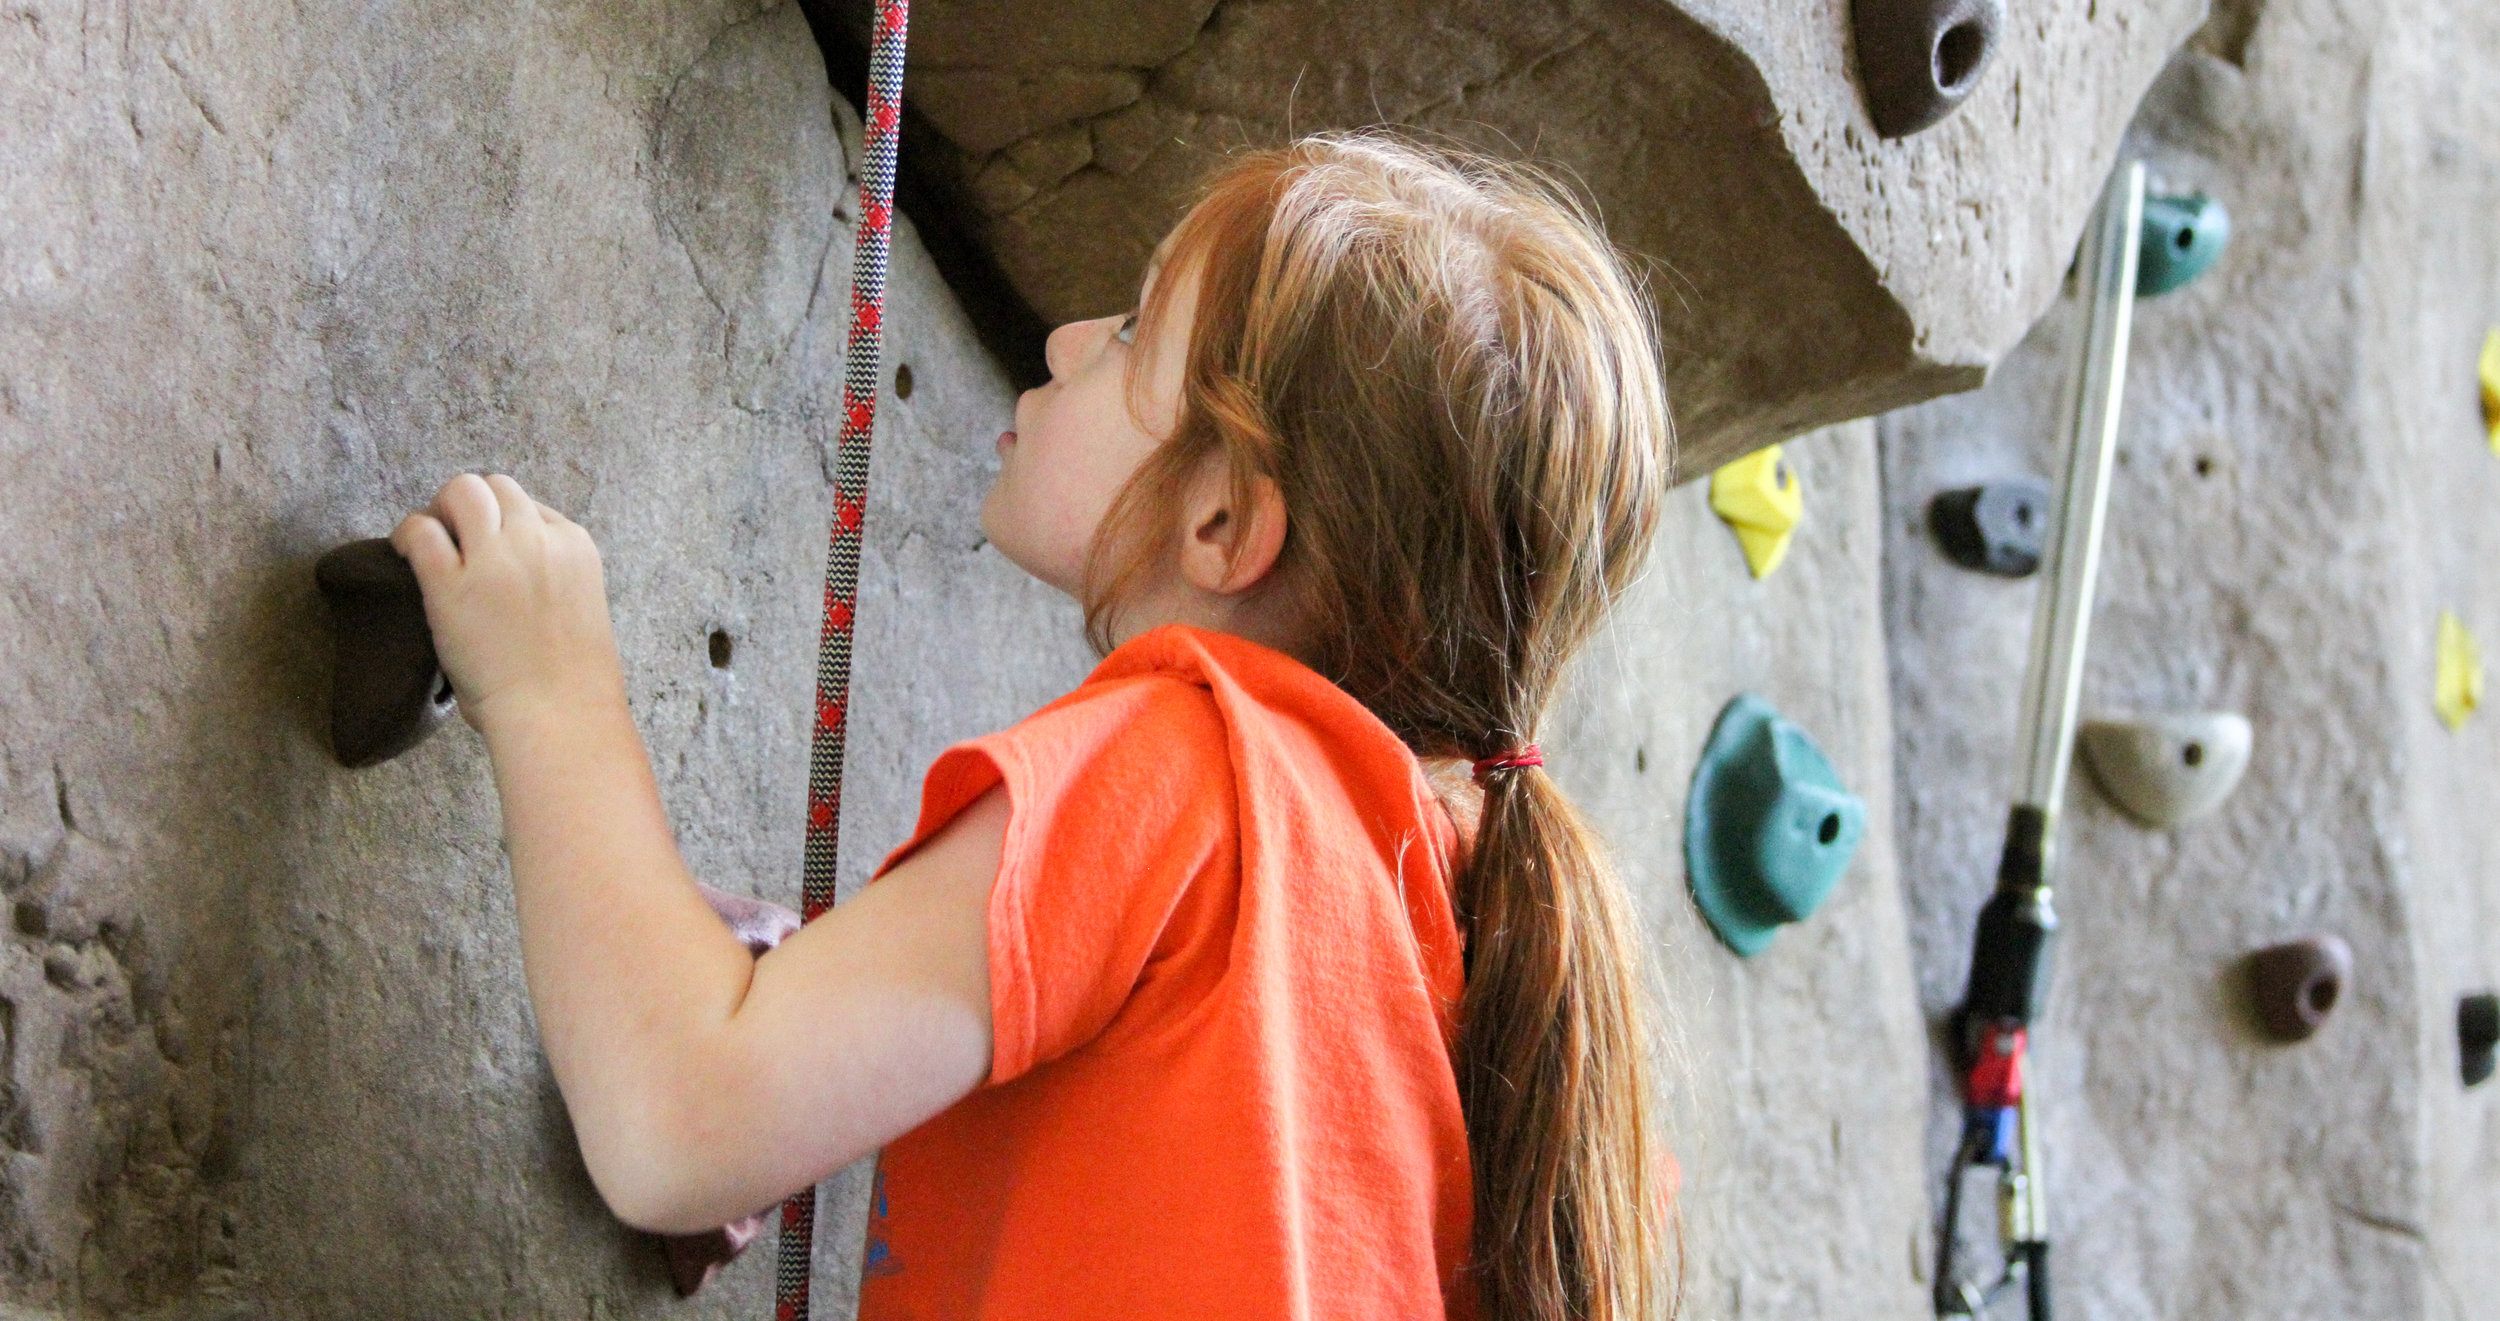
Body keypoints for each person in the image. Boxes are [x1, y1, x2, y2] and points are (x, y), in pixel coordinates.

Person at [392, 129, 1677, 1320]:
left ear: (1224, 521)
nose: (1065, 340)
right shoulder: (1467, 935)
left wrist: (550, 683)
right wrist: (807, 1023)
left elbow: (679, 1121)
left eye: (1131, 331)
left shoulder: (1189, 771)